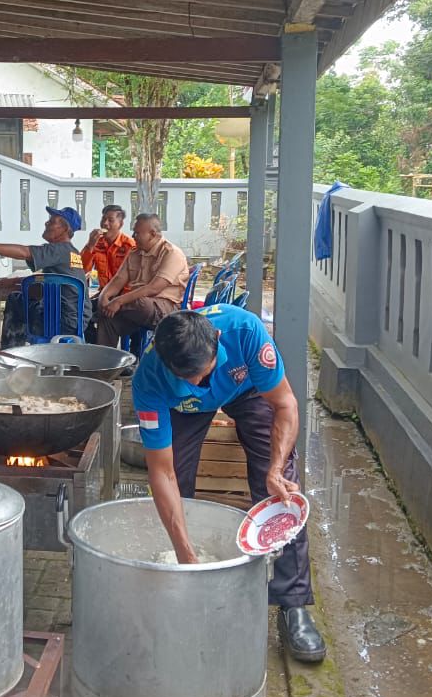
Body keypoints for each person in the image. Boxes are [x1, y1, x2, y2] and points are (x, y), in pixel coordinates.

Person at [131, 304, 326, 663]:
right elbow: (161, 471)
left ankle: (293, 603)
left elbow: (285, 405)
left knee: (279, 486)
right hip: (184, 409)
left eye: (203, 373)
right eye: (188, 378)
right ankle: (180, 575)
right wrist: (187, 556)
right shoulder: (149, 378)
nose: (198, 383)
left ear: (218, 340)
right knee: (177, 485)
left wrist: (275, 469)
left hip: (246, 390)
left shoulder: (244, 332)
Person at [0, 206, 88, 347]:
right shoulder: (72, 252)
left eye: (52, 221)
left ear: (65, 229)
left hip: (60, 321)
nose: (46, 223)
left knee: (15, 300)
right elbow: (50, 283)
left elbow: (24, 252)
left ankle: (11, 353)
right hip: (77, 321)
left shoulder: (59, 250)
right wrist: (16, 281)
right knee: (27, 301)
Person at [94, 213, 190, 347]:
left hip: (166, 308)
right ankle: (106, 359)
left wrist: (118, 301)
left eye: (137, 233)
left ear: (152, 234)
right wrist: (104, 296)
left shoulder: (172, 253)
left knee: (137, 302)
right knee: (108, 318)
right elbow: (118, 280)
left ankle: (94, 312)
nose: (133, 236)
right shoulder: (134, 253)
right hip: (135, 309)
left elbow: (154, 288)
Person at [81, 203, 135, 288]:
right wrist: (90, 245)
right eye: (103, 219)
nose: (105, 223)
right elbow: (80, 270)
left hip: (125, 293)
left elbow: (135, 278)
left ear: (120, 224)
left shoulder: (130, 245)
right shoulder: (96, 243)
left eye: (110, 220)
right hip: (103, 291)